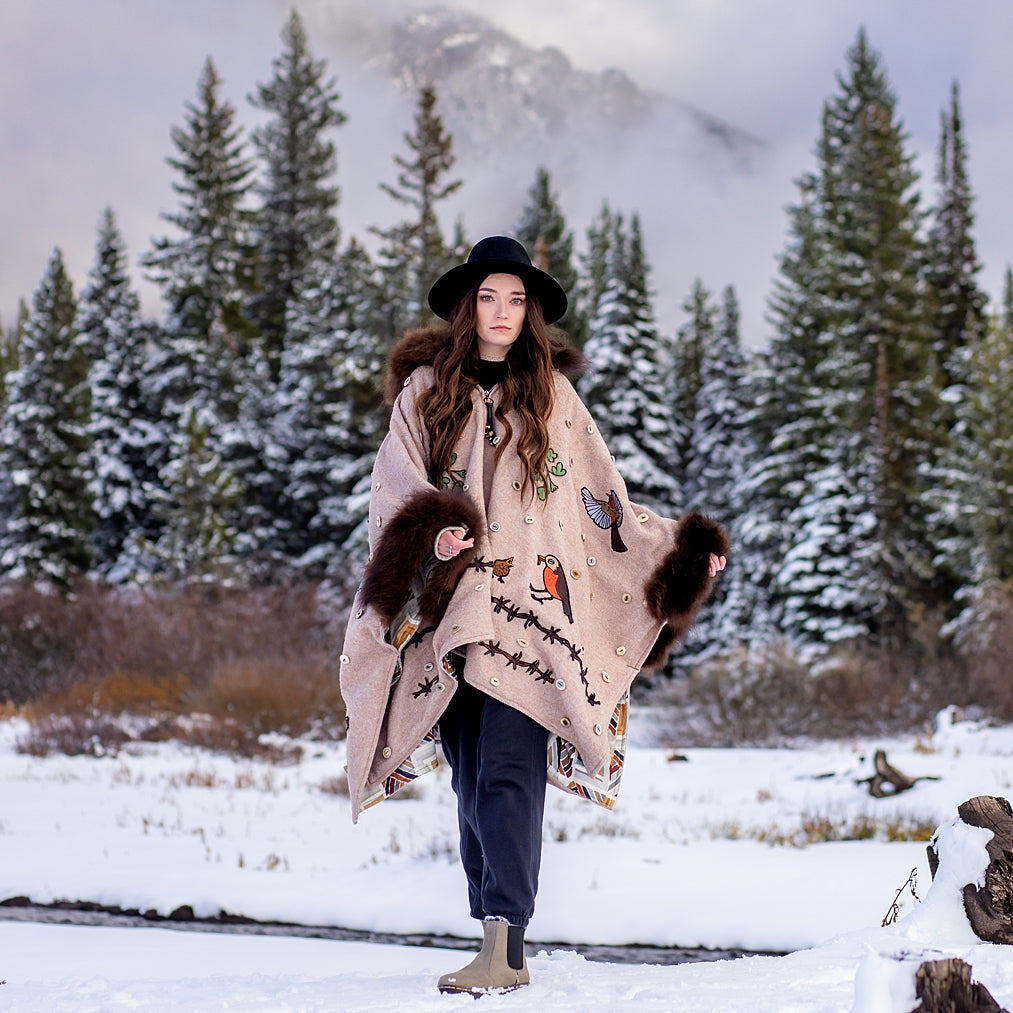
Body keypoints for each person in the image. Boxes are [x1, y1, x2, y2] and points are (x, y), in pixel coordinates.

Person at [338, 236, 728, 995]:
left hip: (529, 624)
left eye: (516, 300)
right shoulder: (423, 392)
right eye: (489, 297)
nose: (503, 313)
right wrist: (433, 530)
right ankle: (493, 933)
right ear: (466, 306)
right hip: (451, 616)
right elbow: (394, 488)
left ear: (532, 313)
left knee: (510, 775)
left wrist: (678, 552)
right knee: (472, 779)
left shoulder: (551, 395)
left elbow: (601, 505)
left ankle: (505, 945)